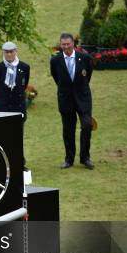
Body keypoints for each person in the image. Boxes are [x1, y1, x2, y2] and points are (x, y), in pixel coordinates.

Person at [50, 32, 95, 169]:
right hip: (66, 99)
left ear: (73, 44)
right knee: (68, 130)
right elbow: (56, 78)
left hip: (83, 98)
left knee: (87, 125)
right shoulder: (55, 60)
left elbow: (88, 76)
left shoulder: (85, 58)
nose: (66, 47)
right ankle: (69, 159)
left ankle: (85, 157)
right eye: (63, 45)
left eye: (68, 44)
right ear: (60, 45)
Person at [0, 41, 30, 171]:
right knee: (3, 136)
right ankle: (4, 163)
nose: (9, 54)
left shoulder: (24, 67)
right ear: (3, 53)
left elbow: (23, 85)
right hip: (3, 108)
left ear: (15, 52)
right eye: (6, 52)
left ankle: (19, 163)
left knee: (18, 136)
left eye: (11, 52)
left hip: (18, 107)